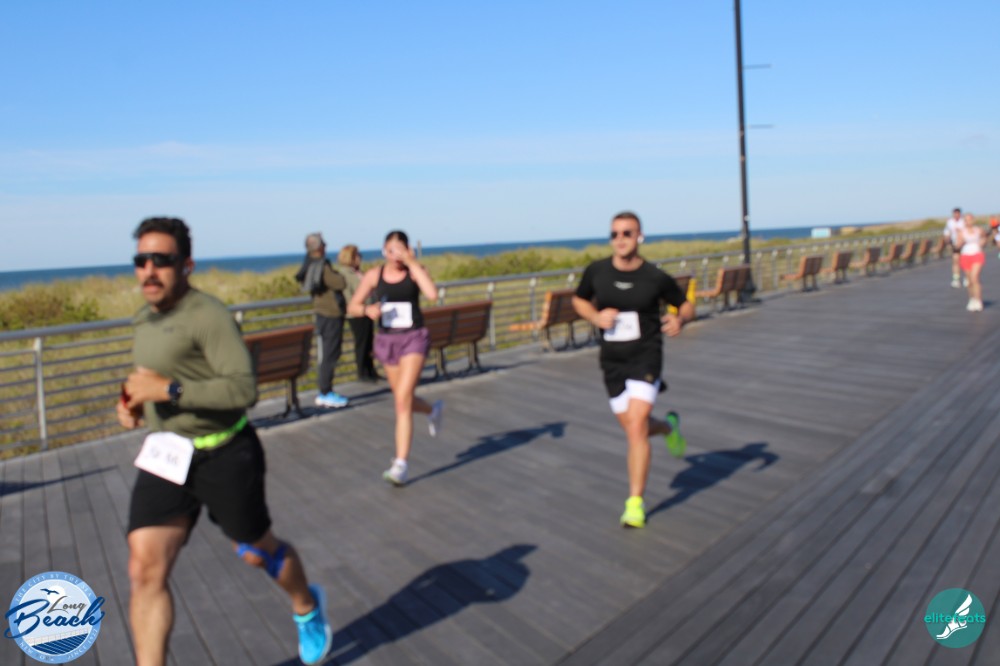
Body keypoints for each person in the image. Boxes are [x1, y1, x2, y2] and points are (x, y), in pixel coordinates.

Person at [118, 217, 333, 665]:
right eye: (142, 260)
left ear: (187, 264)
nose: (150, 270)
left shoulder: (208, 316)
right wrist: (133, 404)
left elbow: (243, 390)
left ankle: (306, 606)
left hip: (224, 453)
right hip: (167, 453)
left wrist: (169, 390)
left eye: (162, 260)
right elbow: (149, 379)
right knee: (144, 569)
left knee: (257, 551)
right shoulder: (144, 318)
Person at [572, 211, 695, 529]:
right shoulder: (597, 271)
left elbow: (685, 304)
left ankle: (635, 504)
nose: (620, 239)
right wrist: (595, 317)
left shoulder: (654, 277)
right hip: (612, 361)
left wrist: (680, 319)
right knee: (633, 429)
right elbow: (579, 300)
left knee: (637, 424)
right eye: (614, 234)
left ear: (640, 236)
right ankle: (667, 427)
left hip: (646, 357)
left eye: (627, 233)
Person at [347, 230, 443, 486]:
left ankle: (400, 464)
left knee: (401, 401)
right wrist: (367, 309)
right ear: (383, 251)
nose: (395, 256)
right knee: (404, 399)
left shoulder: (414, 271)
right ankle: (432, 410)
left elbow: (432, 294)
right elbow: (352, 306)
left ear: (408, 250)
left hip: (413, 338)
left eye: (400, 250)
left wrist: (413, 263)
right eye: (391, 250)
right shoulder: (374, 275)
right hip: (387, 341)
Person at [295, 232, 349, 408]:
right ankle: (326, 392)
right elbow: (339, 283)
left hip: (322, 313)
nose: (326, 246)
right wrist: (339, 276)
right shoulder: (322, 266)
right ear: (319, 247)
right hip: (330, 314)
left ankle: (325, 391)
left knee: (327, 352)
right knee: (330, 353)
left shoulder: (309, 264)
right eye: (323, 243)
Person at [338, 244, 379, 382]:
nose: (360, 258)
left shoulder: (358, 272)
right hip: (356, 313)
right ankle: (363, 372)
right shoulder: (344, 274)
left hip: (368, 310)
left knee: (369, 342)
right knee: (361, 343)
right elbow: (347, 295)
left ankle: (371, 370)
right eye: (357, 255)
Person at [959, 213, 985, 311]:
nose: (968, 222)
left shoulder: (979, 230)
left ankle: (978, 300)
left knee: (975, 278)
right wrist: (960, 242)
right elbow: (957, 244)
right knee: (969, 280)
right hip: (965, 255)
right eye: (966, 220)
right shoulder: (961, 232)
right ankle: (972, 299)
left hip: (977, 254)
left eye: (970, 219)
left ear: (973, 220)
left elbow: (984, 237)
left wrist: (982, 242)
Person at [943, 208, 966, 288]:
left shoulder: (963, 221)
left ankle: (967, 277)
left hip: (964, 243)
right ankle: (956, 279)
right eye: (955, 214)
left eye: (957, 213)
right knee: (956, 260)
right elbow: (947, 232)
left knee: (964, 261)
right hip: (954, 243)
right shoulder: (950, 222)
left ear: (960, 214)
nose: (956, 215)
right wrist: (947, 243)